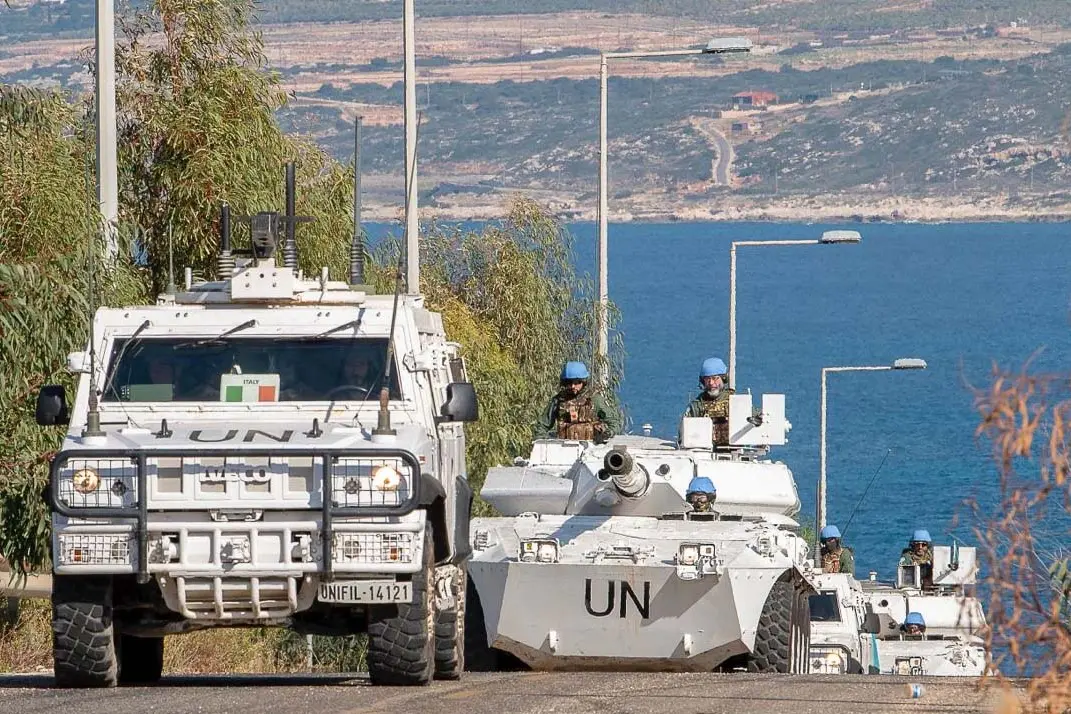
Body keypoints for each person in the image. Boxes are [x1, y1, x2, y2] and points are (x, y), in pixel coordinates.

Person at [536, 361, 620, 443]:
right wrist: (541, 444)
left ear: (583, 382)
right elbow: (543, 425)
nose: (573, 386)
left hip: (591, 448)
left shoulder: (594, 400)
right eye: (569, 382)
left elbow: (614, 422)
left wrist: (606, 434)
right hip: (563, 448)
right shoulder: (558, 400)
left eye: (577, 382)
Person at [683, 357, 735, 444]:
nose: (711, 383)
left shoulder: (736, 402)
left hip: (733, 450)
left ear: (723, 378)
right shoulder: (697, 406)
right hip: (703, 451)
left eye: (715, 378)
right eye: (707, 379)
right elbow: (684, 432)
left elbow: (757, 418)